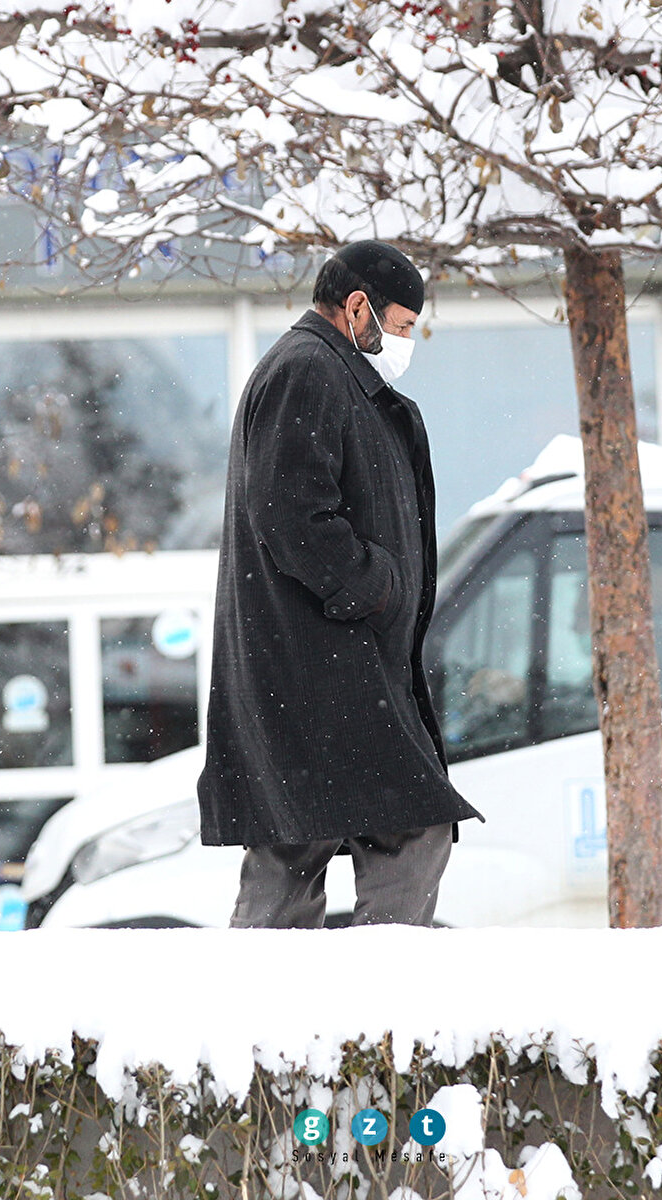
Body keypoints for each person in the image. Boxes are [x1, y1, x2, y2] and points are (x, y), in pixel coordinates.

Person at [196, 239, 483, 928]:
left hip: (316, 665)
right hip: (322, 665)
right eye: (402, 326)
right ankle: (375, 983)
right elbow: (291, 513)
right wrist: (376, 586)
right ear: (358, 308)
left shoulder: (323, 370)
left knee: (296, 848)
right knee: (407, 828)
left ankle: (285, 995)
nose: (405, 343)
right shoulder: (309, 370)